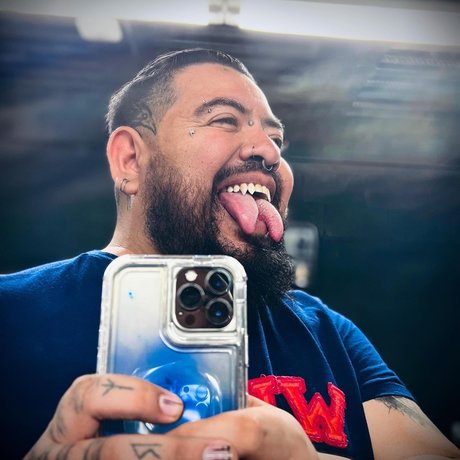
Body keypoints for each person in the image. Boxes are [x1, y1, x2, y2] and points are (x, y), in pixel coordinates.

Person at [1, 48, 459, 460]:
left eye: (276, 139)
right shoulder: (11, 313)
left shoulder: (329, 333)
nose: (269, 152)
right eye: (225, 120)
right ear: (131, 160)